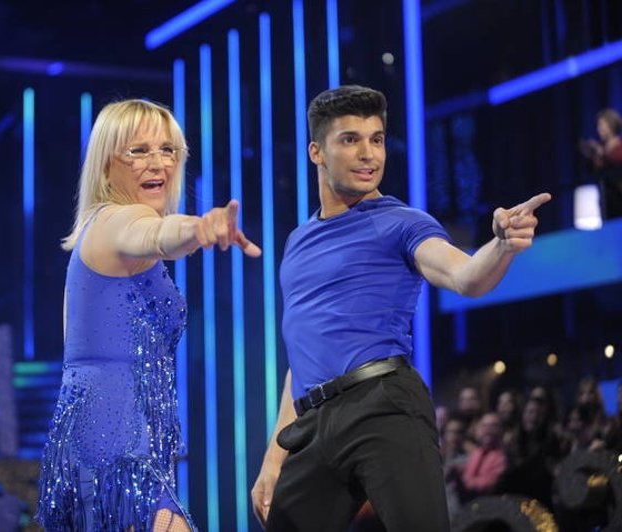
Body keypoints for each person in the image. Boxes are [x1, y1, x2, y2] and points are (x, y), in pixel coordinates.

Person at [250, 84, 551, 531]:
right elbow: (303, 355)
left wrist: (502, 245)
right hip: (312, 426)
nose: (368, 154)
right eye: (350, 139)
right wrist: (274, 457)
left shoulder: (403, 223)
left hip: (382, 405)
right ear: (316, 152)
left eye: (376, 139)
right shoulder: (297, 242)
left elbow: (466, 277)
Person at [36, 98, 261, 531]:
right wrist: (198, 228)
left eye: (167, 150)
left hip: (111, 434)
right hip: (116, 440)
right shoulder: (119, 220)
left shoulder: (98, 231)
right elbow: (155, 234)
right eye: (138, 151)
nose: (157, 162)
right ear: (106, 166)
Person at [579, 108, 622, 219]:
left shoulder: (619, 147)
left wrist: (602, 154)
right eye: (598, 126)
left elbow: (617, 161)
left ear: (611, 125)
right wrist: (592, 157)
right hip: (606, 199)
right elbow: (594, 172)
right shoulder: (599, 148)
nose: (599, 129)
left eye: (602, 125)